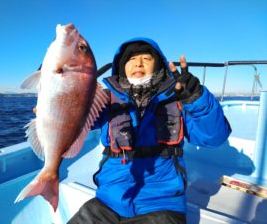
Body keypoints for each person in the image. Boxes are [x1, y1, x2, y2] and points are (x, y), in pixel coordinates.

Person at [67, 38, 232, 224]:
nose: (138, 63)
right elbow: (72, 122)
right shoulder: (104, 100)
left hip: (162, 205)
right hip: (107, 202)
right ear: (122, 67)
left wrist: (196, 98)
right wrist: (58, 85)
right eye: (131, 59)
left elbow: (214, 137)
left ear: (158, 65)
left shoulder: (177, 98)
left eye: (146, 58)